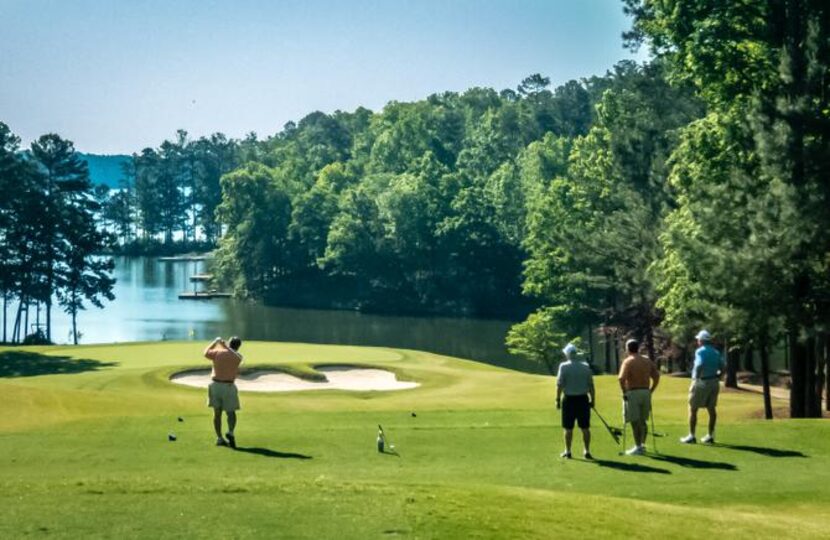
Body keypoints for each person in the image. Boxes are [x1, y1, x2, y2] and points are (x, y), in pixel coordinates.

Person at [681, 330, 725, 444]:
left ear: (701, 341)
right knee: (711, 409)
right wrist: (719, 376)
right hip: (714, 381)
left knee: (692, 408)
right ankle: (710, 435)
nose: (697, 341)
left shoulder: (700, 351)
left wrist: (696, 378)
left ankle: (692, 435)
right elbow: (723, 366)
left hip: (702, 381)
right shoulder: (715, 352)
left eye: (698, 340)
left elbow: (700, 364)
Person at [618, 339, 660, 456]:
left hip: (633, 392)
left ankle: (638, 447)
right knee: (643, 421)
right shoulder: (647, 360)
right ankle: (642, 445)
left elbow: (621, 378)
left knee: (635, 421)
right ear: (638, 348)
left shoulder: (628, 361)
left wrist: (624, 391)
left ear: (628, 349)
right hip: (645, 392)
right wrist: (651, 390)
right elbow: (656, 377)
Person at [556, 343, 595, 459]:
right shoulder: (585, 366)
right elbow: (591, 386)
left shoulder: (563, 366)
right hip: (583, 399)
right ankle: (586, 451)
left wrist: (557, 399)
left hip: (569, 400)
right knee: (585, 427)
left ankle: (568, 451)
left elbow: (559, 385)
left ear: (568, 354)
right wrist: (593, 400)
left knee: (568, 428)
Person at [204, 336, 243, 448]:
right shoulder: (237, 357)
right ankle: (230, 432)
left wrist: (215, 342)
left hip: (215, 385)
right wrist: (223, 345)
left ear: (229, 343)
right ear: (238, 346)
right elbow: (237, 356)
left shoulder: (218, 352)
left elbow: (205, 352)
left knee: (217, 413)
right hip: (229, 387)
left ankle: (219, 438)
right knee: (231, 412)